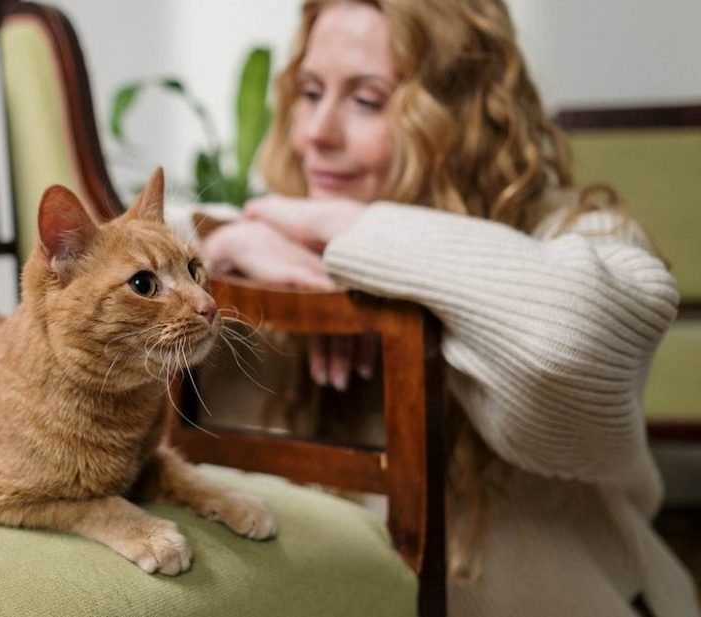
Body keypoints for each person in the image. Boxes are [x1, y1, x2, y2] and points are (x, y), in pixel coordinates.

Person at [194, 0, 701, 615]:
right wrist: (223, 242)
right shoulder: (266, 252)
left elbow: (565, 343)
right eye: (309, 92)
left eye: (366, 100)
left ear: (457, 116)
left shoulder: (578, 236)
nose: (315, 134)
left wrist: (351, 236)